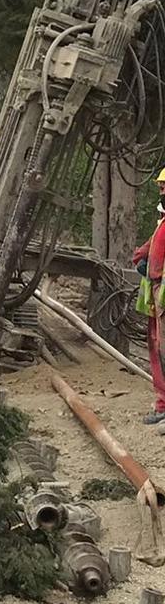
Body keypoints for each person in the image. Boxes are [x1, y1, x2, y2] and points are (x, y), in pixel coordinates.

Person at [132, 167, 165, 431]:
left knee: (163, 349)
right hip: (156, 296)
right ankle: (162, 404)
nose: (162, 192)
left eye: (164, 188)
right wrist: (142, 257)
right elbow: (146, 249)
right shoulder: (162, 225)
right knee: (156, 347)